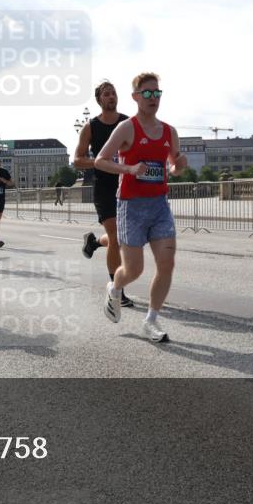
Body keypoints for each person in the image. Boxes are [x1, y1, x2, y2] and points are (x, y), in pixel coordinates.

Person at [95, 72, 186, 342]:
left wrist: (177, 167)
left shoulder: (170, 131)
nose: (152, 98)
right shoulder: (127, 128)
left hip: (158, 205)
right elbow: (100, 160)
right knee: (134, 270)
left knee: (167, 263)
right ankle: (114, 286)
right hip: (130, 206)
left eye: (156, 93)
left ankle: (151, 321)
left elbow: (173, 165)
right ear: (135, 97)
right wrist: (129, 168)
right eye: (146, 93)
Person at [74, 80, 134, 307]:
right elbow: (77, 160)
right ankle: (117, 290)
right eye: (107, 94)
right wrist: (100, 162)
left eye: (114, 93)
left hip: (127, 185)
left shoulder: (128, 123)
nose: (111, 97)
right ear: (99, 100)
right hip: (104, 187)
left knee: (125, 237)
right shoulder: (90, 127)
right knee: (117, 237)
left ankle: (94, 242)